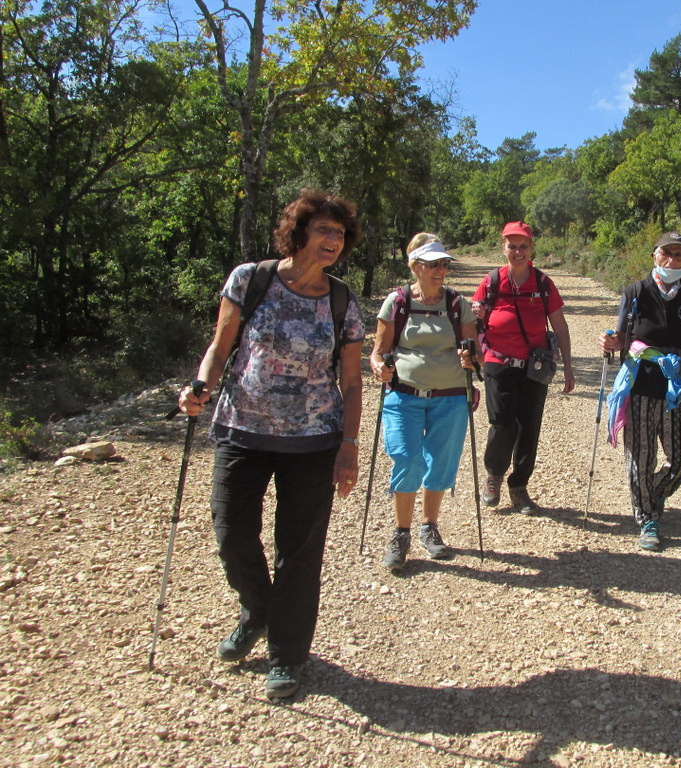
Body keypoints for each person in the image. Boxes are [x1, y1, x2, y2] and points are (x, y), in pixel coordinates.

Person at [178, 190, 363, 699]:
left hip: (313, 439)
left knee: (299, 554)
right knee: (231, 533)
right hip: (242, 427)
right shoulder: (251, 278)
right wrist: (200, 387)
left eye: (340, 234)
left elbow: (350, 380)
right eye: (324, 230)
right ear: (299, 231)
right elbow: (220, 346)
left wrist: (349, 443)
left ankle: (287, 655)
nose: (332, 241)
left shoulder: (342, 300)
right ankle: (258, 609)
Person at [368, 234, 478, 574]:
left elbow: (477, 352)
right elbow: (378, 352)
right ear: (415, 267)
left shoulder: (459, 305)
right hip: (404, 395)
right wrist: (378, 367)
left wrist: (471, 358)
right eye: (433, 264)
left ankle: (429, 526)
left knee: (441, 463)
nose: (440, 270)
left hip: (451, 398)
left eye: (444, 263)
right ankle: (401, 533)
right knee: (406, 458)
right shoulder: (397, 303)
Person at [600, 232, 681, 551]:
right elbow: (621, 337)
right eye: (667, 253)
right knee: (641, 455)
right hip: (640, 383)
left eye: (679, 255)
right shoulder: (635, 291)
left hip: (678, 385)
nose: (672, 260)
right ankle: (647, 518)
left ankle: (652, 492)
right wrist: (610, 342)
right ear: (654, 255)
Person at [471, 221, 575, 513]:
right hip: (497, 363)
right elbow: (472, 325)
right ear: (503, 247)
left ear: (532, 249)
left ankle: (519, 487)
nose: (517, 252)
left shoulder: (542, 284)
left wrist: (568, 366)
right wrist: (477, 315)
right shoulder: (491, 282)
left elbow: (561, 326)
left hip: (534, 366)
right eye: (512, 246)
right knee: (502, 424)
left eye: (523, 246)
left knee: (529, 427)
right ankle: (494, 474)